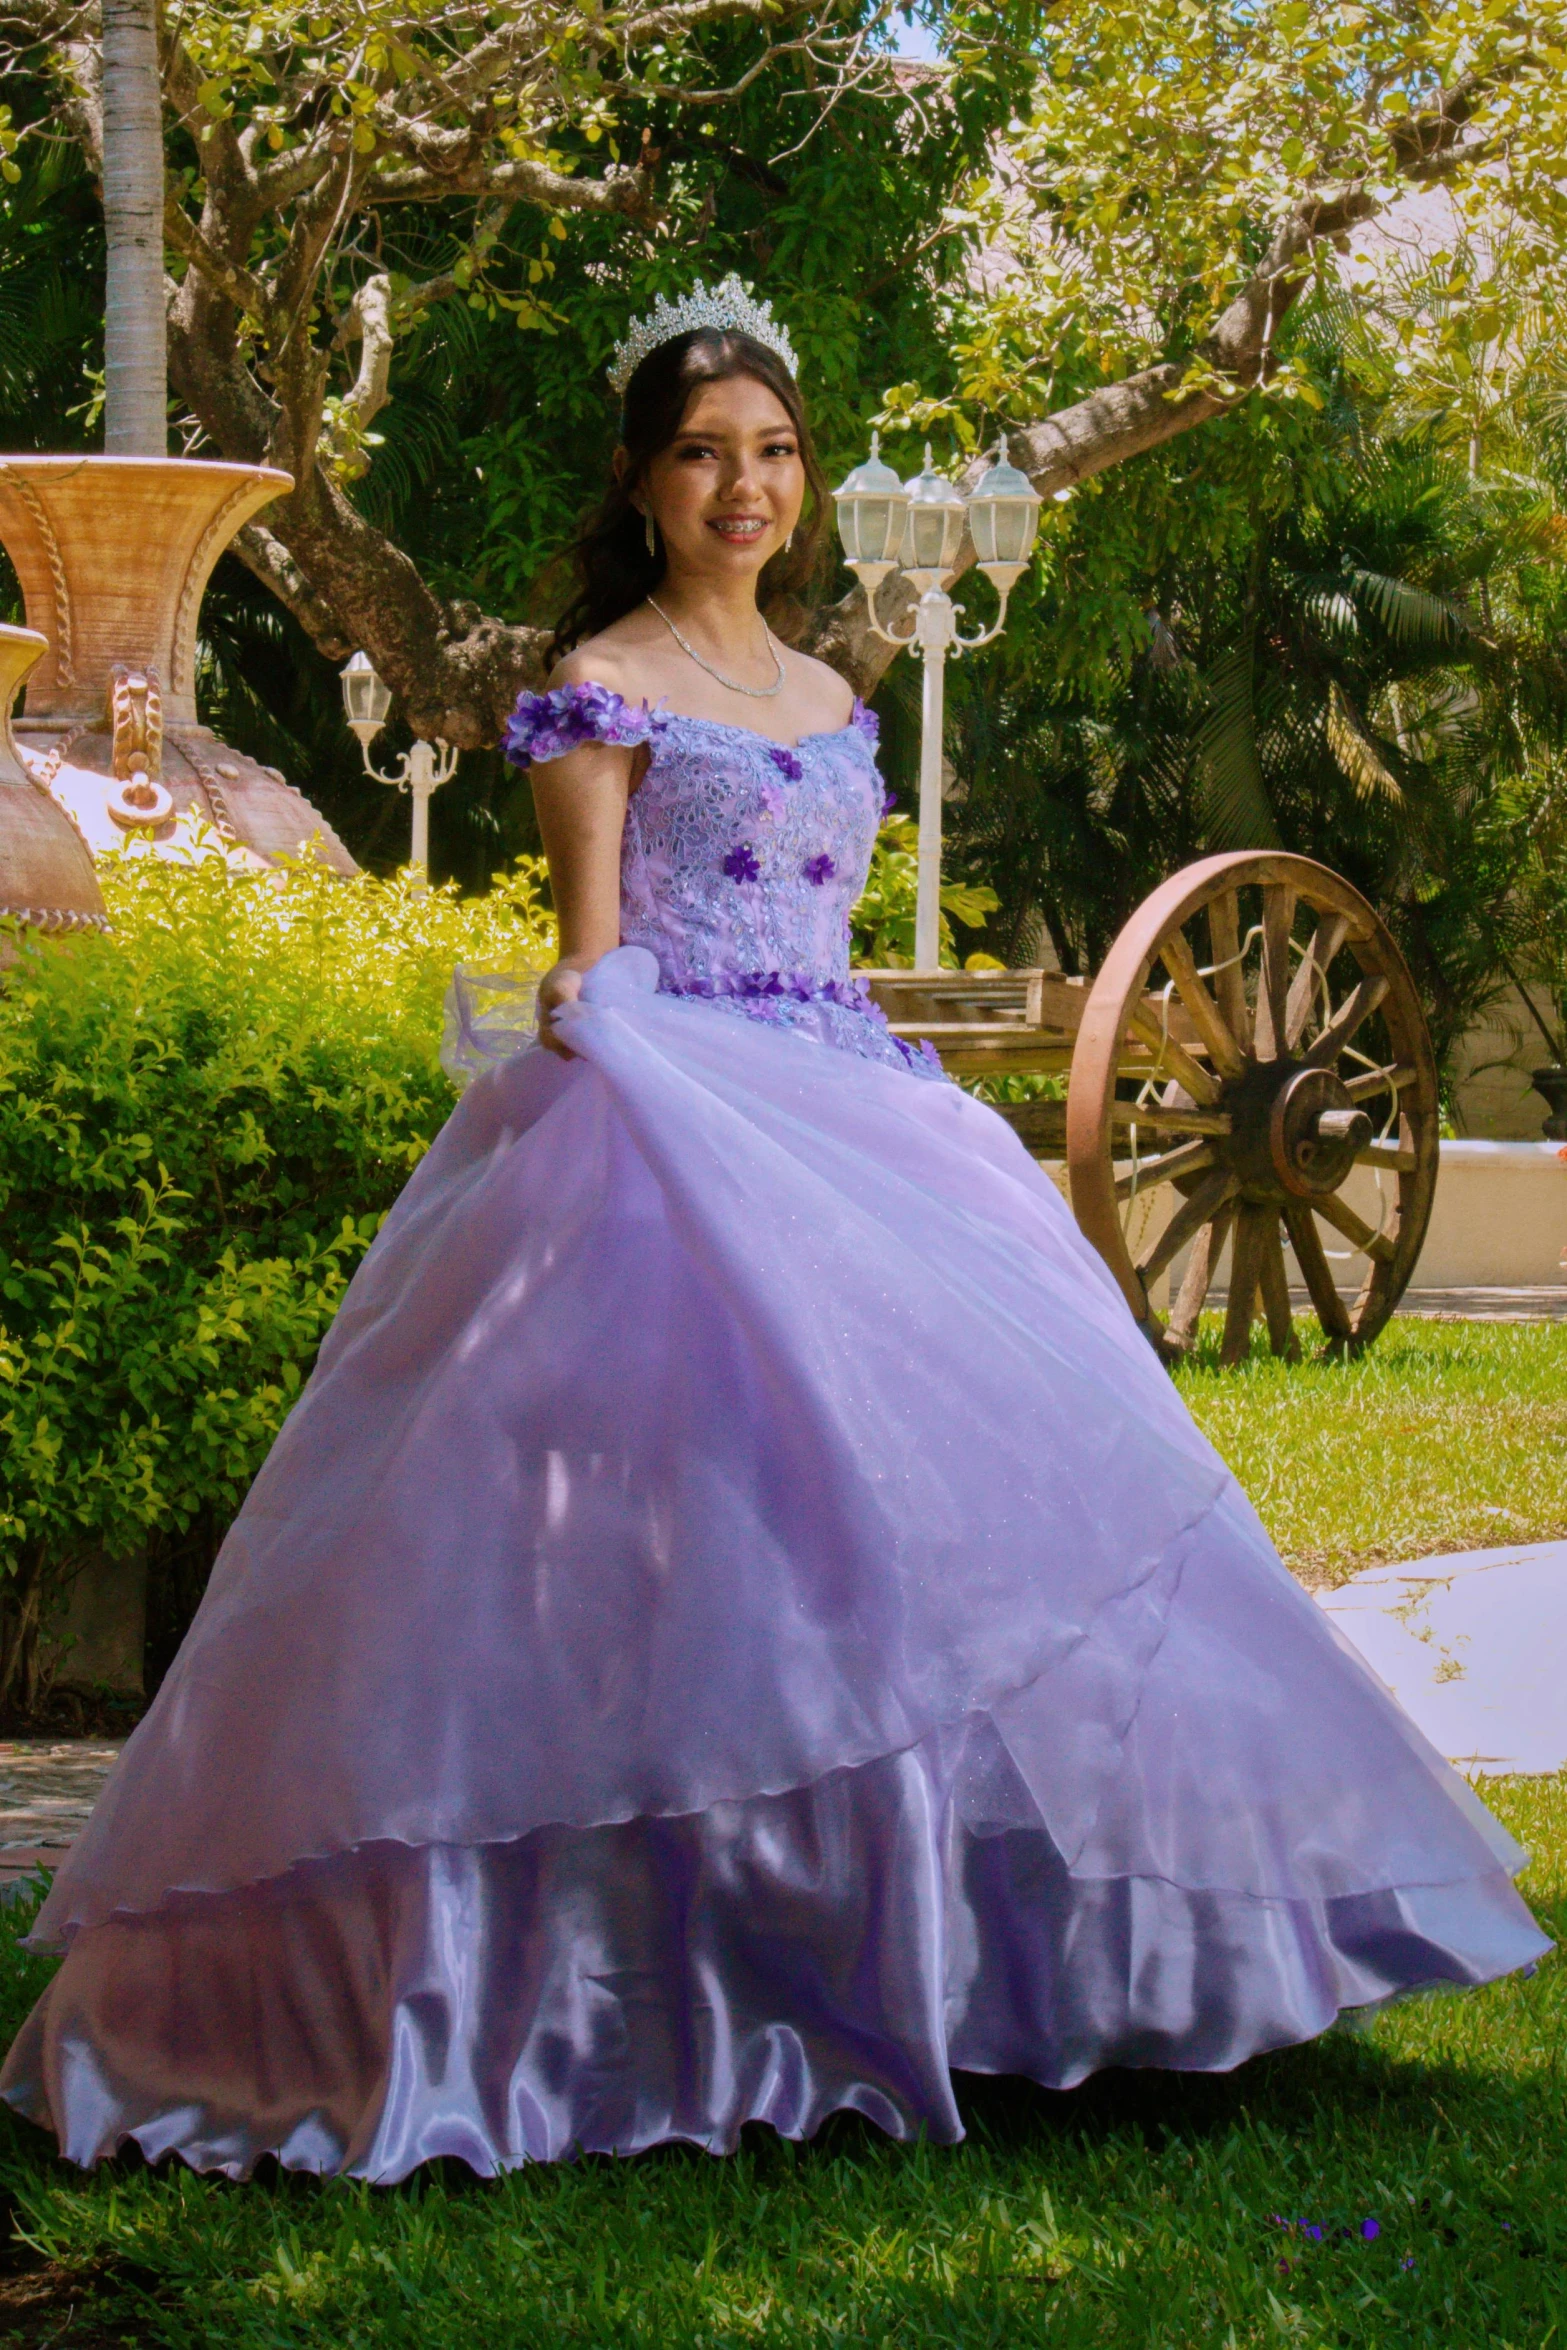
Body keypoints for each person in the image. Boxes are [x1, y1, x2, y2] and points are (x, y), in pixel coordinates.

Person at [2, 280, 1546, 2183]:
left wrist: (854, 1097)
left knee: (929, 1544)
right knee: (686, 1579)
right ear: (645, 483)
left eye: (773, 453)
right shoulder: (603, 679)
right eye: (703, 455)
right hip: (665, 1129)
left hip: (855, 1108)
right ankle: (616, 1974)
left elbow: (821, 931)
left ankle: (1003, 1953)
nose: (746, 486)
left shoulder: (829, 694)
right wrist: (674, 1099)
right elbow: (589, 965)